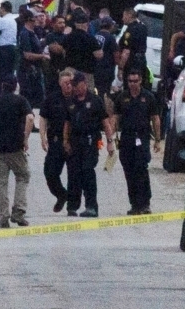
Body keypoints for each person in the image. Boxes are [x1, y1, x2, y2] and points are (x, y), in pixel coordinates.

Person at [0, 78, 34, 228]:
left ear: (1, 87)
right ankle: (19, 212)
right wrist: (25, 138)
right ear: (15, 86)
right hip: (16, 149)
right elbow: (30, 118)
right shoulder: (20, 101)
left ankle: (3, 217)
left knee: (1, 183)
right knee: (23, 176)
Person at [63, 72, 114, 217]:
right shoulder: (71, 102)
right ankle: (72, 206)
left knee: (88, 172)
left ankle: (91, 206)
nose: (75, 88)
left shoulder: (95, 100)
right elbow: (67, 124)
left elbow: (105, 123)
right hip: (74, 142)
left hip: (91, 141)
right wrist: (65, 141)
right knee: (73, 174)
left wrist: (110, 143)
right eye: (73, 85)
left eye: (77, 85)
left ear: (84, 83)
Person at [112, 69, 161, 215]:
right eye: (130, 81)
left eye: (135, 81)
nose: (132, 84)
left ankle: (145, 203)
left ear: (140, 81)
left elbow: (155, 119)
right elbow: (116, 117)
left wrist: (157, 140)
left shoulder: (148, 97)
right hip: (126, 138)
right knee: (129, 171)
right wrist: (113, 137)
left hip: (142, 137)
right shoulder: (122, 97)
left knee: (141, 169)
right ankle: (134, 204)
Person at [39, 69, 75, 212]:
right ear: (60, 83)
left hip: (74, 141)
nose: (68, 86)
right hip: (56, 141)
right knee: (50, 172)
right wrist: (42, 137)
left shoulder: (78, 98)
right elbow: (43, 118)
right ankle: (61, 194)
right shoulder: (52, 99)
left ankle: (72, 206)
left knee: (73, 175)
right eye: (65, 83)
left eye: (70, 83)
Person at [62, 9, 102, 93]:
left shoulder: (68, 37)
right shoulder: (91, 38)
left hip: (70, 70)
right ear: (86, 24)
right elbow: (98, 55)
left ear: (75, 24)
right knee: (86, 95)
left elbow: (63, 51)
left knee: (69, 93)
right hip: (86, 73)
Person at [17, 10, 47, 108]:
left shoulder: (33, 32)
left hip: (35, 70)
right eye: (36, 17)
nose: (38, 19)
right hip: (28, 70)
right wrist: (43, 56)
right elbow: (27, 55)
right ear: (30, 20)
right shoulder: (25, 34)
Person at [118, 7, 149, 88]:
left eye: (124, 16)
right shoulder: (143, 27)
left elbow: (126, 52)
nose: (122, 18)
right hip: (142, 62)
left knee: (129, 88)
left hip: (131, 64)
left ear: (129, 15)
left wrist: (120, 68)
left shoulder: (130, 31)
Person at [0, 0, 19, 85]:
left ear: (3, 9)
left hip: (3, 49)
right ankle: (9, 89)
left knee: (2, 72)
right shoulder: (13, 20)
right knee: (9, 72)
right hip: (12, 48)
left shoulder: (3, 20)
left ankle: (2, 91)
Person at [93, 16, 120, 98]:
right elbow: (116, 54)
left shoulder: (95, 35)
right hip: (106, 71)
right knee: (104, 94)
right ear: (111, 26)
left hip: (95, 69)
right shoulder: (111, 38)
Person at [43, 15, 68, 95]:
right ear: (53, 24)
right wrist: (63, 49)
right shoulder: (50, 36)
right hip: (52, 70)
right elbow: (56, 50)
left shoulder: (67, 37)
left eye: (64, 23)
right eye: (60, 23)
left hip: (64, 70)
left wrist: (62, 48)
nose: (62, 25)